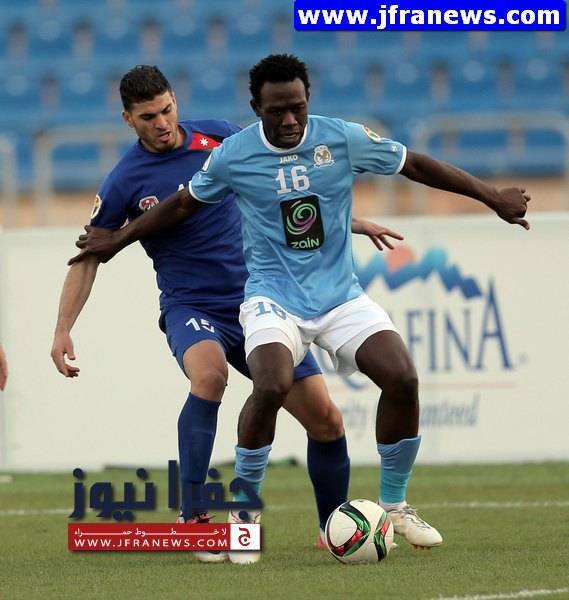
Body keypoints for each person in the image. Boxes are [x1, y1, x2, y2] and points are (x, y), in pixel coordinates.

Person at [70, 53, 530, 564]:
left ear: (308, 100)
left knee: (394, 382)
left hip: (338, 295)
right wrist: (115, 242)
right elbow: (181, 205)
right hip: (265, 298)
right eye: (277, 111)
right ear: (256, 109)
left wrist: (491, 197)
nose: (290, 120)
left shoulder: (339, 137)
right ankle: (237, 515)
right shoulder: (231, 153)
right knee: (260, 383)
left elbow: (412, 165)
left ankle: (390, 507)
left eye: (298, 107)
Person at [52, 65, 402, 563]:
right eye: (148, 117)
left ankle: (333, 528)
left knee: (325, 419)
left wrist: (353, 221)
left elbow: (279, 184)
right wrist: (63, 329)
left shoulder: (219, 137)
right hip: (192, 306)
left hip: (266, 301)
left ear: (176, 100)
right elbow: (90, 255)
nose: (162, 123)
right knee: (210, 377)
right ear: (128, 119)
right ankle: (193, 517)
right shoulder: (125, 180)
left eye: (167, 110)